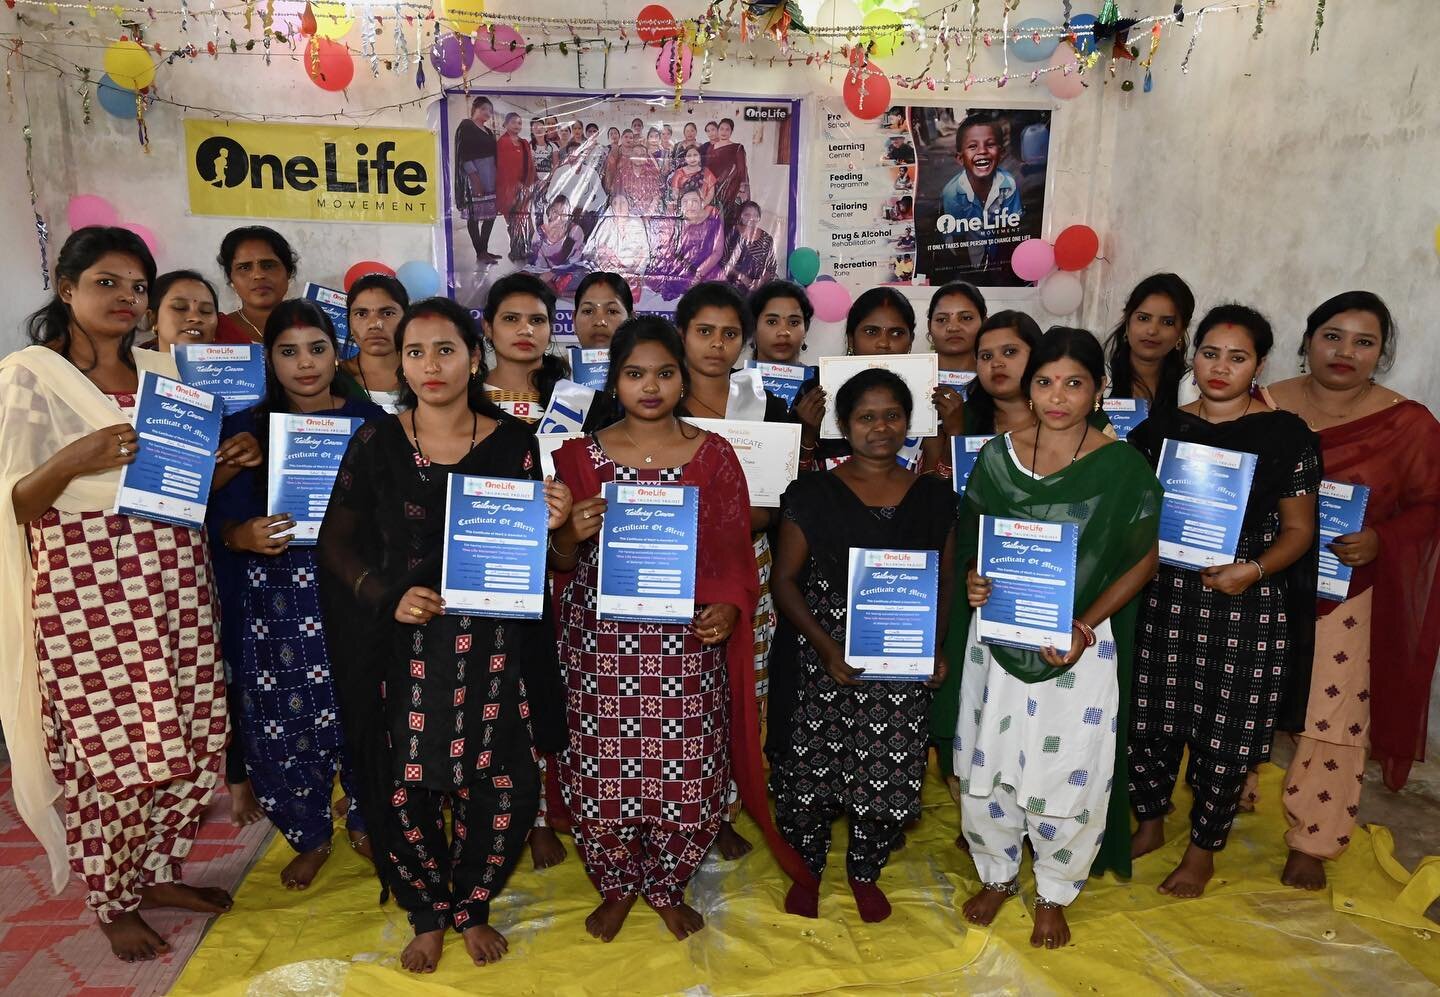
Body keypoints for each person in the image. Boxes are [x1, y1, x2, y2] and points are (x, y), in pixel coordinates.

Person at [0, 227, 247, 962]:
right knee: (119, 749)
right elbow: (13, 501)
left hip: (175, 576)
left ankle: (157, 872)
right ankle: (111, 899)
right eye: (107, 283)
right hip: (89, 590)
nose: (126, 299)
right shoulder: (30, 374)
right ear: (67, 288)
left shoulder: (162, 372)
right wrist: (77, 457)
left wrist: (226, 467)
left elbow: (180, 491)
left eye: (137, 287)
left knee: (193, 735)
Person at [316, 296, 572, 973]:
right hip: (404, 646)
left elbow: (540, 555)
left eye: (446, 349)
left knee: (505, 784)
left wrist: (555, 518)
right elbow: (334, 543)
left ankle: (474, 902)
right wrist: (387, 596)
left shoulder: (515, 442)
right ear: (399, 362)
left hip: (495, 644)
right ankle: (427, 910)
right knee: (402, 783)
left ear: (474, 356)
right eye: (415, 351)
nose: (431, 364)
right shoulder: (377, 440)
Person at [548, 316, 810, 943]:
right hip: (599, 650)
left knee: (686, 770)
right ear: (615, 379)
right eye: (635, 373)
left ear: (681, 377)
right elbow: (554, 565)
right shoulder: (576, 458)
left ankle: (667, 883)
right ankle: (615, 884)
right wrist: (566, 534)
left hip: (685, 646)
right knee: (600, 770)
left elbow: (729, 554)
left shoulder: (713, 456)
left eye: (665, 373)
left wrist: (726, 606)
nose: (650, 386)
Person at [954, 327, 1162, 949]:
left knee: (1069, 767)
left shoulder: (1121, 466)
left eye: (1074, 383)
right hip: (995, 643)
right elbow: (974, 541)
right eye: (1044, 381)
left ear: (1098, 391)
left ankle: (1053, 888)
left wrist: (1084, 625)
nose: (1057, 397)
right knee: (986, 761)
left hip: (1076, 646)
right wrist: (974, 580)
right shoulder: (997, 457)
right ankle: (995, 874)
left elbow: (1141, 559)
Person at [1127, 304, 1321, 899]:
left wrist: (1253, 570)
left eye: (1237, 357)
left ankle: (1202, 850)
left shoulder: (1285, 435)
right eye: (1210, 353)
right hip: (1164, 598)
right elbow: (1130, 515)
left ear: (1259, 365)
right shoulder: (1159, 430)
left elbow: (1298, 531)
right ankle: (1151, 821)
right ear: (1193, 356)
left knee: (1227, 730)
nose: (1220, 368)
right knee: (1150, 719)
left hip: (1246, 603)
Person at [1261, 292, 1440, 890]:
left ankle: (1314, 836)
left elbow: (1432, 504)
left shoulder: (1407, 424)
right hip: (1255, 579)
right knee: (1240, 689)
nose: (1345, 352)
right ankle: (1223, 793)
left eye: (1364, 342)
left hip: (1344, 590)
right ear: (1307, 339)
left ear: (1381, 355)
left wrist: (1384, 539)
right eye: (1332, 336)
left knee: (1332, 714)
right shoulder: (1259, 403)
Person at [208, 299, 384, 891]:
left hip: (354, 592)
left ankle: (366, 819)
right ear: (269, 359)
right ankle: (308, 835)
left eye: (317, 348)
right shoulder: (244, 429)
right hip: (275, 601)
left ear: (338, 353)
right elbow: (204, 516)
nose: (304, 364)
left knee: (368, 711)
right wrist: (241, 533)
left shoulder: (375, 426)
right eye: (288, 351)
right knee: (285, 724)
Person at [771, 368, 956, 923]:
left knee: (889, 770)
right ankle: (808, 869)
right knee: (808, 770)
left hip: (901, 657)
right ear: (844, 426)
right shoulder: (812, 493)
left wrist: (935, 648)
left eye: (893, 415)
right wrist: (827, 648)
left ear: (909, 422)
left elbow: (945, 581)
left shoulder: (934, 496)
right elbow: (784, 580)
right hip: (822, 656)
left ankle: (864, 870)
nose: (881, 427)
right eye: (866, 417)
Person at [674, 282, 793, 859]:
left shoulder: (764, 407)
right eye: (704, 332)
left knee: (746, 688)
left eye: (728, 334)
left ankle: (729, 801)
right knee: (684, 690)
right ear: (681, 336)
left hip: (751, 562)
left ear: (743, 344)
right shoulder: (658, 403)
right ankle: (688, 805)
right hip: (673, 567)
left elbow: (778, 501)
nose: (716, 346)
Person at [797, 287, 916, 472]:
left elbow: (933, 483)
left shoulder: (928, 395)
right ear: (851, 339)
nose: (883, 343)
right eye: (871, 331)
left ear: (911, 340)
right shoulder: (816, 391)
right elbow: (794, 482)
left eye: (896, 333)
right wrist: (807, 435)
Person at [482, 272, 616, 435]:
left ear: (551, 329)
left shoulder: (575, 398)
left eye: (537, 320)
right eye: (511, 318)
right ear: (488, 327)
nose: (526, 330)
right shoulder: (468, 397)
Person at [939, 113, 1022, 270]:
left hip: (999, 254)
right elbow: (958, 241)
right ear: (960, 158)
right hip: (967, 254)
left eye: (990, 145)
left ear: (1002, 153)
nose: (982, 151)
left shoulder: (1008, 185)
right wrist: (969, 270)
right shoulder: (952, 193)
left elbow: (1013, 228)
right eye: (972, 146)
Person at [1104, 273, 1197, 413]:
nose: (1152, 330)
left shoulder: (1191, 385)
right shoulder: (1101, 379)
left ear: (1181, 331)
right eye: (1143, 318)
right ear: (1127, 322)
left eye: (1167, 322)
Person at [215, 225, 297, 344]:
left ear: (288, 272)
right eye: (244, 267)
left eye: (268, 266)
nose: (258, 275)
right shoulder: (215, 331)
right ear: (231, 278)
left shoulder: (315, 325)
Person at [133, 269, 222, 379]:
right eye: (180, 307)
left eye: (206, 311)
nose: (195, 318)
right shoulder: (132, 370)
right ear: (153, 319)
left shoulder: (233, 374)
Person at [342, 273, 408, 414]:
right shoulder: (334, 379)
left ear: (407, 320)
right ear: (349, 322)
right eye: (361, 314)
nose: (374, 325)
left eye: (387, 313)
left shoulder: (425, 374)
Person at [647, 190, 725, 300]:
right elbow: (668, 251)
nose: (690, 205)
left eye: (694, 201)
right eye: (685, 201)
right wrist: (687, 274)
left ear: (701, 204)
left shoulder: (713, 221)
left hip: (707, 269)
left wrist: (699, 273)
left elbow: (717, 252)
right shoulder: (673, 222)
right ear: (680, 206)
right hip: (679, 268)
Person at [455, 97, 500, 265]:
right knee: (473, 216)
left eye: (490, 110)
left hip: (490, 176)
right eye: (484, 109)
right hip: (475, 175)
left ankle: (484, 249)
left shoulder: (488, 131)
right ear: (475, 109)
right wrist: (474, 177)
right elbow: (463, 154)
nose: (487, 113)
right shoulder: (466, 126)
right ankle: (479, 252)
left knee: (491, 215)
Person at [585, 194, 651, 300]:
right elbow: (599, 253)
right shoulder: (606, 225)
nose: (619, 206)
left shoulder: (636, 223)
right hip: (611, 274)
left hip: (633, 273)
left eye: (623, 203)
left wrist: (636, 272)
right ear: (611, 207)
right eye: (615, 203)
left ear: (629, 206)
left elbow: (645, 251)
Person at [495, 112, 537, 263]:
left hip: (525, 188)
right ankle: (516, 251)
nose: (517, 126)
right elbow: (502, 168)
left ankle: (524, 248)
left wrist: (529, 184)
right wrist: (515, 186)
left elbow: (531, 165)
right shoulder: (502, 143)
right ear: (505, 124)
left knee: (526, 222)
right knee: (514, 221)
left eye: (519, 123)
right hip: (509, 190)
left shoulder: (525, 143)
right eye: (513, 122)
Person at [529, 195, 589, 296]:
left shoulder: (574, 231)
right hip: (545, 273)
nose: (558, 217)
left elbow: (575, 259)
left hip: (569, 272)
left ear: (569, 215)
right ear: (549, 212)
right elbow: (537, 259)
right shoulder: (540, 232)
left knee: (581, 280)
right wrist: (545, 275)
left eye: (563, 213)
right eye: (555, 212)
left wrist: (554, 272)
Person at [749, 278, 813, 368]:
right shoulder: (731, 380)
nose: (784, 332)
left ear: (806, 329)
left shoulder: (823, 380)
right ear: (753, 327)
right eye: (772, 322)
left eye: (794, 322)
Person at [721, 201, 778, 293]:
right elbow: (723, 263)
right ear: (740, 216)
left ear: (759, 218)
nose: (751, 218)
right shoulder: (731, 235)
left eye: (755, 215)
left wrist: (760, 281)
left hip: (759, 288)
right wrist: (742, 278)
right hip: (734, 286)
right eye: (747, 214)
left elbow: (771, 267)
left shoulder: (767, 238)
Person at [705, 118, 751, 230]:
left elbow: (742, 170)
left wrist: (742, 190)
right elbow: (707, 169)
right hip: (713, 190)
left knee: (728, 221)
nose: (724, 132)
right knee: (713, 220)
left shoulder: (737, 148)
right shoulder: (711, 148)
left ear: (731, 132)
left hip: (731, 190)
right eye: (721, 129)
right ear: (718, 130)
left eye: (727, 129)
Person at [572, 271, 633, 350]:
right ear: (574, 320)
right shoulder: (561, 362)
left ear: (631, 321)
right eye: (588, 311)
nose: (599, 322)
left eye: (612, 311)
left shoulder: (649, 362)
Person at [663, 143, 717, 214]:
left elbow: (710, 193)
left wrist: (701, 205)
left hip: (702, 207)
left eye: (695, 155)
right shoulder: (679, 172)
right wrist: (685, 205)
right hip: (684, 207)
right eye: (689, 156)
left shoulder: (707, 172)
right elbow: (675, 192)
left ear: (700, 157)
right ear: (685, 158)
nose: (692, 158)